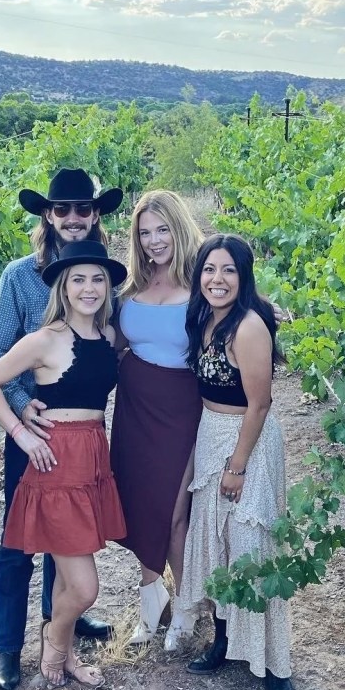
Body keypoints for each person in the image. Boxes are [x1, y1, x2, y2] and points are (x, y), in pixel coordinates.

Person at [0, 169, 119, 690]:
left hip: (84, 439)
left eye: (83, 209)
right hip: (35, 426)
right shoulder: (18, 276)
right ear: (48, 214)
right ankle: (8, 645)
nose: (73, 217)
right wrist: (24, 412)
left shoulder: (102, 280)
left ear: (95, 215)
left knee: (68, 537)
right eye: (63, 209)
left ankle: (61, 624)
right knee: (18, 541)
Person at [180, 234, 296, 690]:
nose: (217, 279)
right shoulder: (204, 318)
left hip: (247, 440)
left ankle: (276, 665)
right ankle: (224, 642)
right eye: (209, 269)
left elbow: (260, 403)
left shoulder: (248, 327)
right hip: (211, 432)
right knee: (217, 543)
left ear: (243, 276)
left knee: (252, 546)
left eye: (228, 270)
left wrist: (238, 465)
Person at [110, 190, 205, 648]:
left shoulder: (202, 283)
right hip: (134, 410)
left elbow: (240, 307)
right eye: (145, 232)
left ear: (179, 228)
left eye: (162, 229)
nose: (154, 240)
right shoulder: (129, 289)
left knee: (174, 513)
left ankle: (187, 606)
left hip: (182, 409)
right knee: (139, 504)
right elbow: (113, 345)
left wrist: (267, 311)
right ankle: (152, 598)